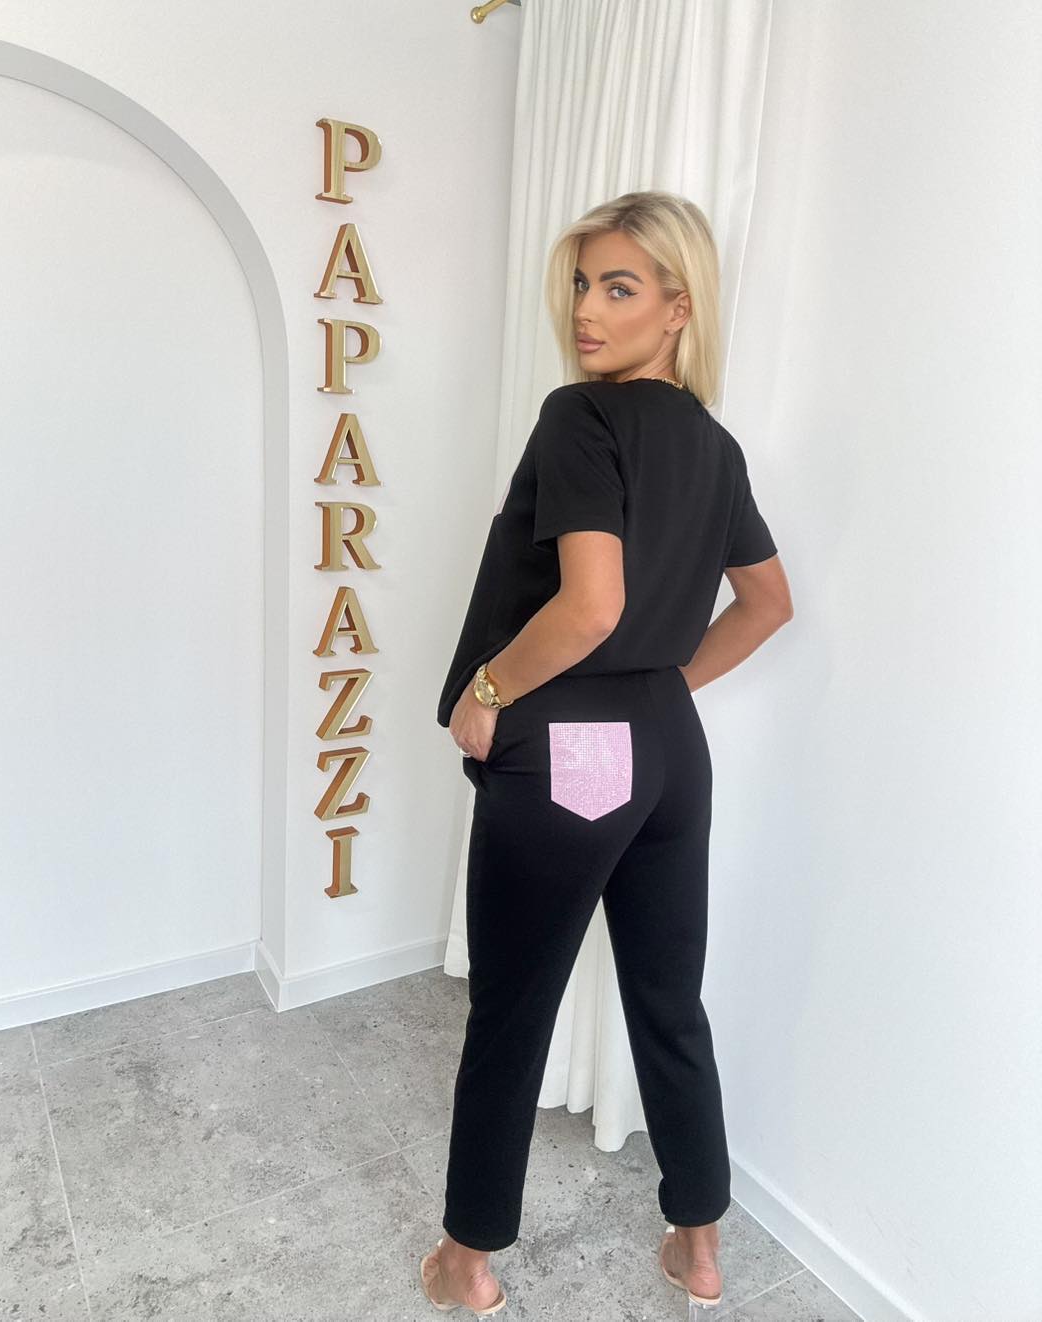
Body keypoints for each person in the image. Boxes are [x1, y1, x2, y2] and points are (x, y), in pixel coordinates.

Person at [420, 190, 793, 1317]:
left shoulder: (580, 417)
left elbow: (590, 607)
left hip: (574, 743)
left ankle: (468, 1260)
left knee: (513, 1007)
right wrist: (662, 688)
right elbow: (768, 603)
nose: (586, 309)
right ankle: (699, 1243)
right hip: (670, 753)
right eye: (582, 283)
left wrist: (488, 690)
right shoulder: (715, 446)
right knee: (669, 1001)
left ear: (679, 307)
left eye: (619, 287)